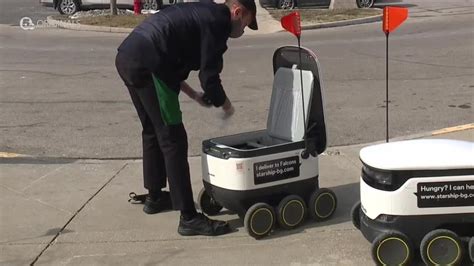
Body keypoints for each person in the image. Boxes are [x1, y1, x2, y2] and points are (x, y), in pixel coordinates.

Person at [115, 0, 258, 236]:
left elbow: (168, 58)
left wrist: (193, 95)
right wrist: (226, 104)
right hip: (148, 64)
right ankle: (188, 218)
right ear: (237, 11)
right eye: (246, 23)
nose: (243, 30)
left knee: (153, 129)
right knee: (173, 139)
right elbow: (209, 76)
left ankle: (155, 197)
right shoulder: (217, 24)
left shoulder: (202, 12)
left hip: (129, 56)